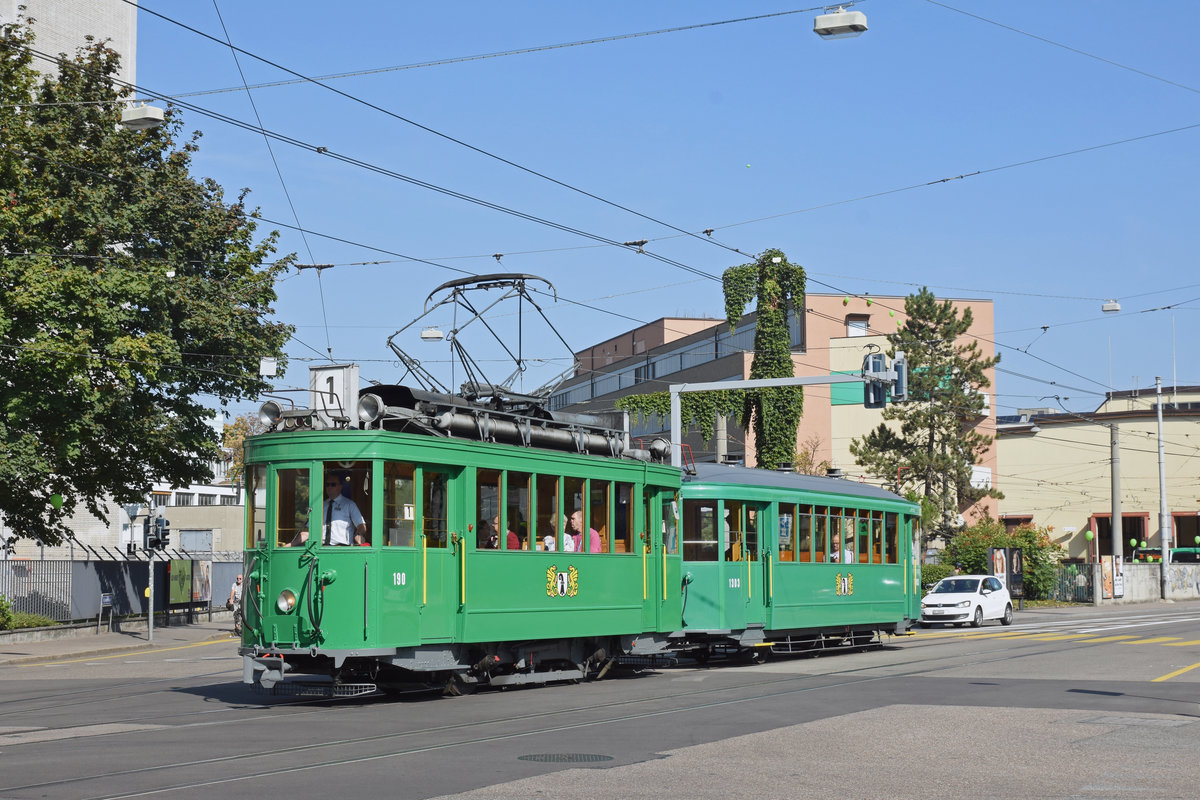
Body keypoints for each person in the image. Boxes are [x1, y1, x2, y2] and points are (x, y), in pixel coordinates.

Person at [321, 473, 366, 545]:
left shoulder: (349, 505)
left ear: (340, 487)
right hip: (321, 548)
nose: (329, 487)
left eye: (333, 484)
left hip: (342, 549)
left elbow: (361, 526)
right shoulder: (321, 505)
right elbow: (308, 529)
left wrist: (358, 535)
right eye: (327, 484)